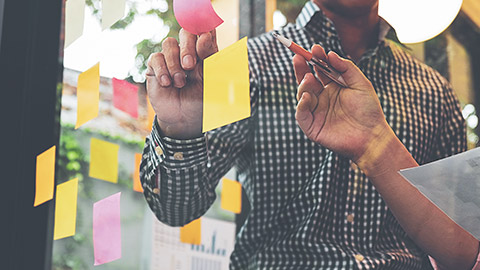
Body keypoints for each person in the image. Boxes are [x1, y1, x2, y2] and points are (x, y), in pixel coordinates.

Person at [140, 0, 478, 268]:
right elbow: (175, 210)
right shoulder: (246, 64)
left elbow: (463, 247)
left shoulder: (434, 92)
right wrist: (179, 132)